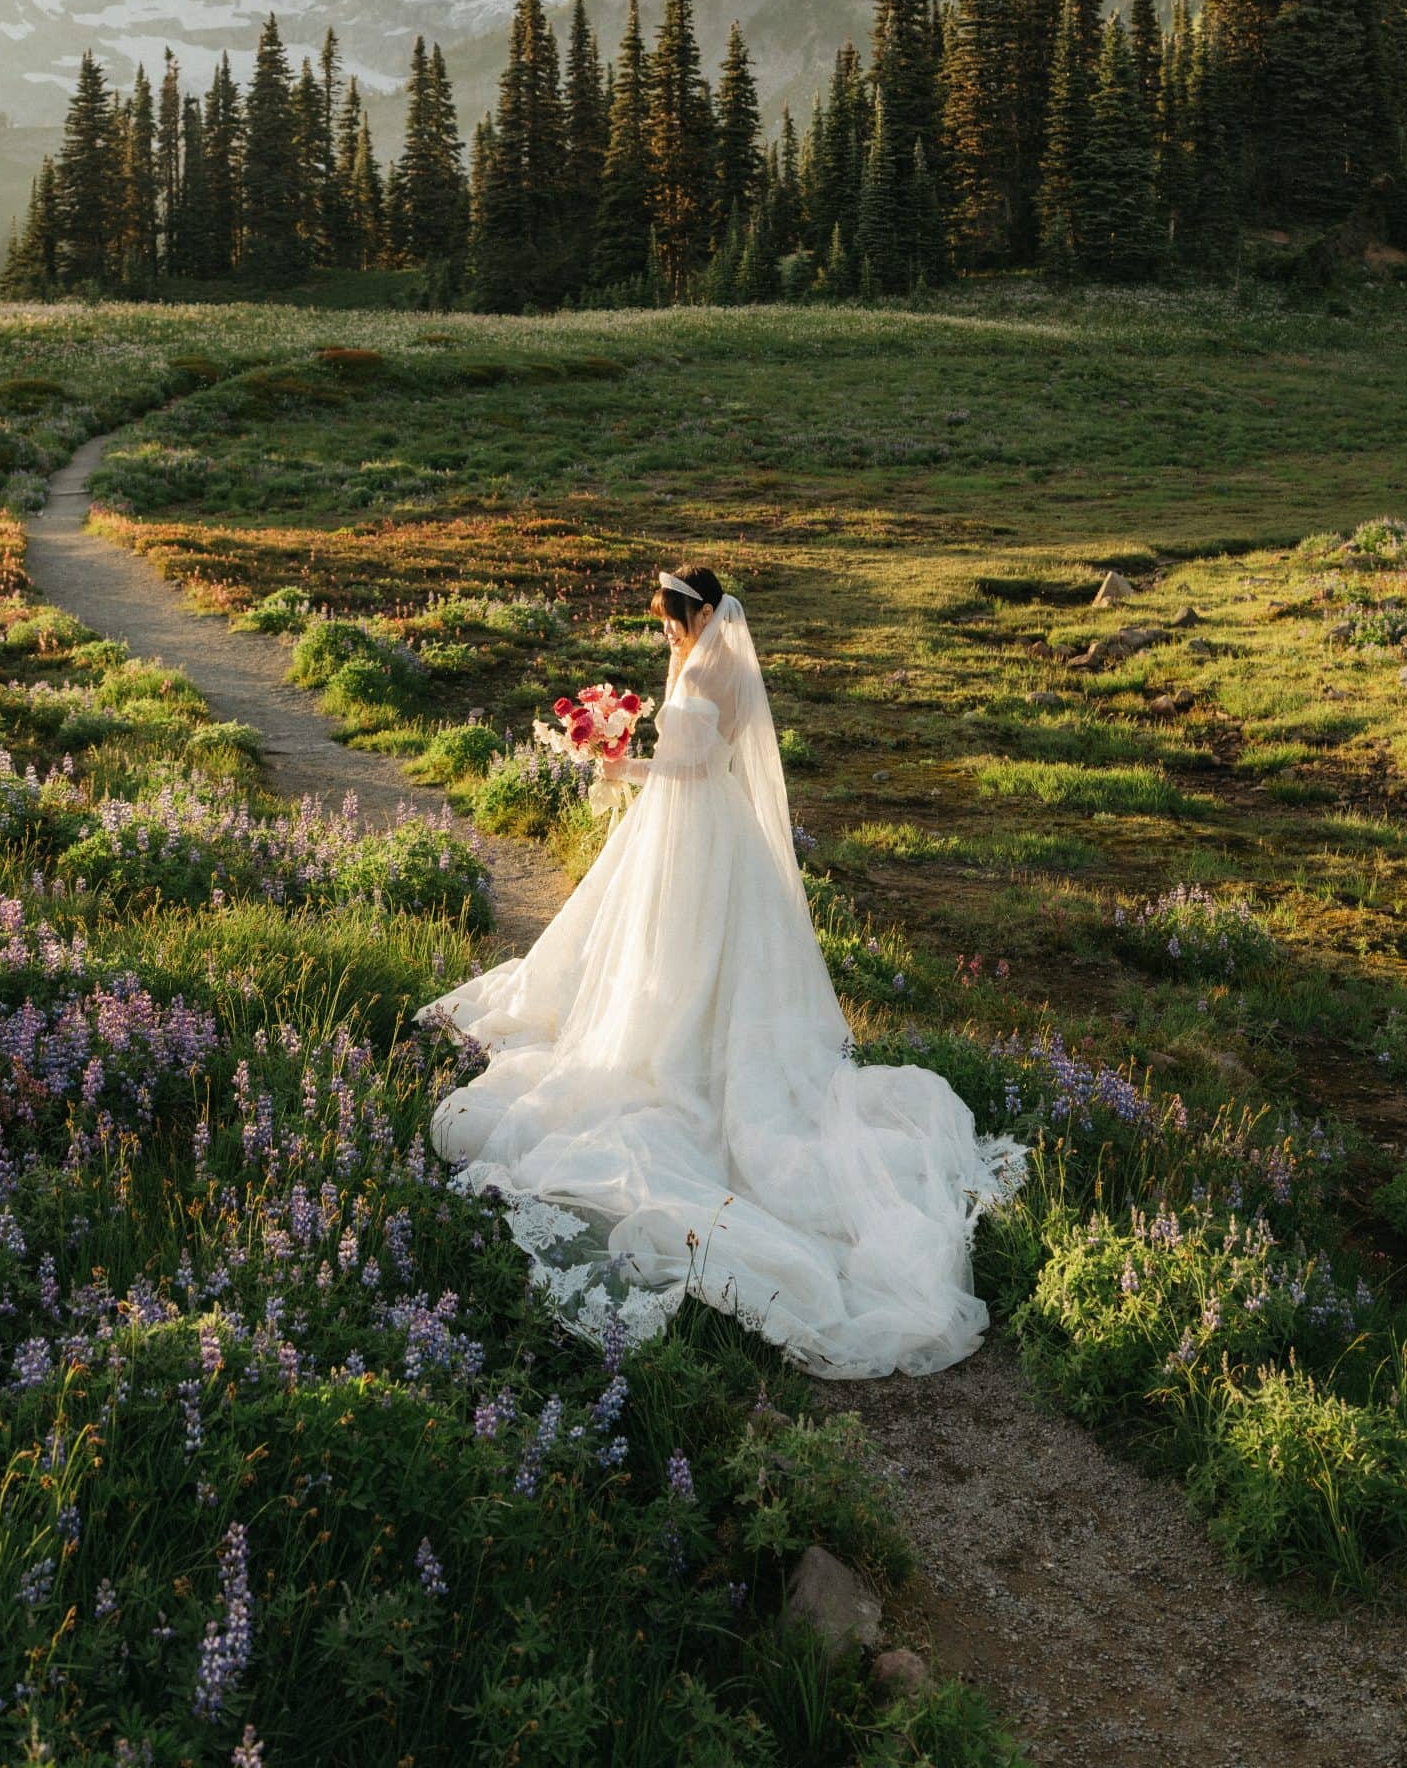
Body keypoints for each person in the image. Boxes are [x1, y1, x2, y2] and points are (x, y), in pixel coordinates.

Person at [413, 566, 1025, 1378]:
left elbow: (691, 771)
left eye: (672, 622)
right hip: (712, 832)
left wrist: (620, 766)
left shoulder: (706, 666)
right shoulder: (721, 661)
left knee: (679, 950)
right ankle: (693, 1040)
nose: (667, 635)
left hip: (696, 832)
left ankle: (680, 1060)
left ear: (702, 613)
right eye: (664, 626)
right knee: (692, 956)